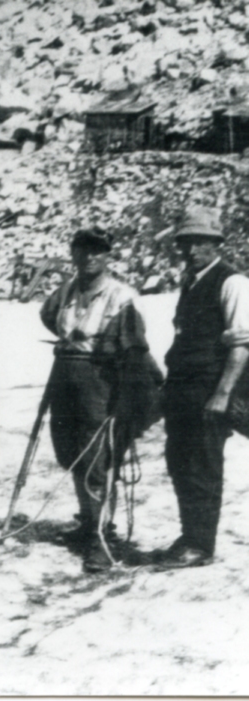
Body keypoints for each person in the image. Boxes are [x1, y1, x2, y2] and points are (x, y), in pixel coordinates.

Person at [40, 228, 161, 573]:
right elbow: (48, 315)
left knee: (98, 459)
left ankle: (101, 537)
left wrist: (122, 393)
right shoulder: (65, 290)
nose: (89, 257)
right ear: (73, 254)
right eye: (82, 250)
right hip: (65, 375)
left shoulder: (122, 296)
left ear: (108, 255)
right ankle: (88, 523)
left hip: (101, 380)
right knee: (70, 451)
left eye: (97, 251)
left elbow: (134, 346)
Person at [159, 207, 249, 569]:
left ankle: (201, 544)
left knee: (202, 466)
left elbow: (242, 345)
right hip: (182, 389)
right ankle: (189, 535)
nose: (192, 250)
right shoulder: (191, 282)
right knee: (179, 462)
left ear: (217, 244)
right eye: (186, 243)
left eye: (201, 243)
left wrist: (223, 394)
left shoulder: (233, 283)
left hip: (209, 390)